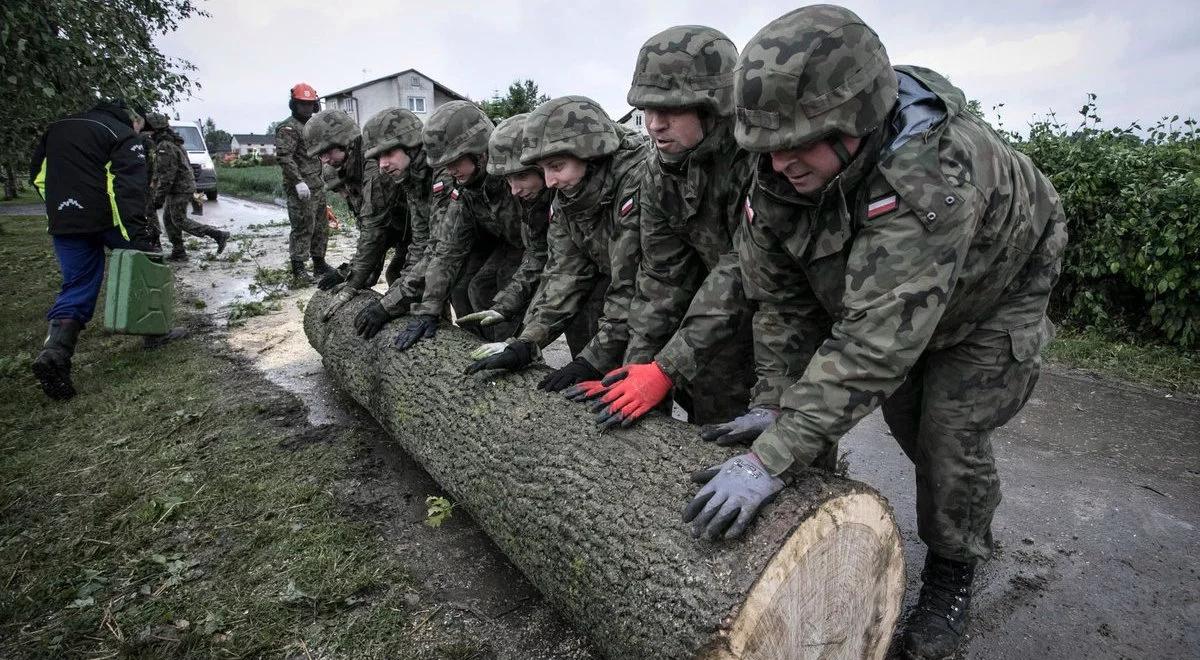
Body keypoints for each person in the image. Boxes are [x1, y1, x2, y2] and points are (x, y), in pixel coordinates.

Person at [680, 7, 1068, 659]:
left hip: (997, 287)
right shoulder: (778, 165)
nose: (780, 161)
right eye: (768, 144)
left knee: (947, 430)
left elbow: (874, 343)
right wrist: (776, 402)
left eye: (800, 140)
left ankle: (953, 569)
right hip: (903, 288)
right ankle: (960, 506)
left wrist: (775, 454)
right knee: (906, 416)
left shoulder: (931, 176)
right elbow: (784, 301)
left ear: (855, 120)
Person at [571, 25, 757, 429]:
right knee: (702, 425)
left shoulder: (760, 161)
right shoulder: (658, 173)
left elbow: (744, 266)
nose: (654, 124)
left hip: (778, 328)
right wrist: (633, 371)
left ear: (714, 106)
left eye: (670, 110)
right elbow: (660, 280)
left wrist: (665, 368)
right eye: (648, 110)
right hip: (712, 325)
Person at [464, 96, 647, 393]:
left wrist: (593, 360)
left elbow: (635, 284)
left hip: (663, 304)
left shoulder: (639, 183)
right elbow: (563, 272)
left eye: (556, 166)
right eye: (543, 169)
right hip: (631, 295)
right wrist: (527, 341)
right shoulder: (569, 196)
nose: (549, 182)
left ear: (591, 154)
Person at [390, 102, 550, 351]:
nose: (450, 170)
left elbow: (540, 249)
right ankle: (477, 350)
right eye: (445, 164)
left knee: (504, 291)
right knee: (473, 287)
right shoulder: (467, 189)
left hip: (540, 249)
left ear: (479, 152)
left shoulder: (518, 175)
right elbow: (447, 249)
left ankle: (509, 354)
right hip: (514, 245)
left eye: (455, 161)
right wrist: (429, 309)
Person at [28, 99, 159, 400]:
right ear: (133, 118)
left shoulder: (57, 130)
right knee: (147, 264)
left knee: (77, 284)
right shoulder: (123, 135)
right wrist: (138, 234)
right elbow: (128, 190)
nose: (142, 129)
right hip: (108, 219)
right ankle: (156, 332)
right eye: (141, 124)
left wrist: (63, 209)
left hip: (65, 220)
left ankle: (54, 353)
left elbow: (38, 177)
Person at [321, 107, 454, 333]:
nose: (382, 165)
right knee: (399, 273)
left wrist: (386, 304)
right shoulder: (410, 178)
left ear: (411, 145)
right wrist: (357, 279)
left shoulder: (440, 175)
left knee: (470, 287)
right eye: (378, 157)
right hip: (441, 246)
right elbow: (421, 242)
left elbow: (438, 247)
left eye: (388, 154)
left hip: (467, 247)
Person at [145, 112, 229, 261]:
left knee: (178, 219)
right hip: (180, 187)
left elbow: (167, 175)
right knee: (169, 220)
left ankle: (217, 235)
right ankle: (179, 251)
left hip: (179, 188)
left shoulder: (165, 146)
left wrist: (158, 198)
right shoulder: (172, 142)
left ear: (154, 128)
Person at [275, 82, 330, 285]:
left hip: (317, 184)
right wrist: (298, 181)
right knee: (303, 226)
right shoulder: (288, 128)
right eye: (302, 104)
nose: (307, 108)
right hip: (300, 187)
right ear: (294, 105)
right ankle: (298, 267)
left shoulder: (312, 126)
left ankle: (319, 263)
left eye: (310, 104)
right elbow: (285, 157)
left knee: (320, 226)